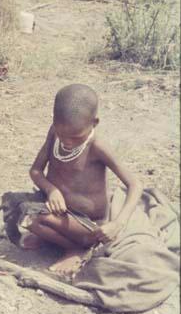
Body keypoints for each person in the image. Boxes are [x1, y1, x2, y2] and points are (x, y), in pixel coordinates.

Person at [25, 83, 143, 275]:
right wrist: (51, 190)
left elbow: (135, 184)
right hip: (59, 209)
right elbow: (35, 171)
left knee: (35, 219)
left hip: (89, 223)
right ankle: (58, 236)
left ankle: (77, 249)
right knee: (18, 209)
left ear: (94, 123)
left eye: (75, 137)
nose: (67, 142)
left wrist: (117, 224)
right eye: (62, 134)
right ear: (54, 121)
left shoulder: (97, 147)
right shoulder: (55, 133)